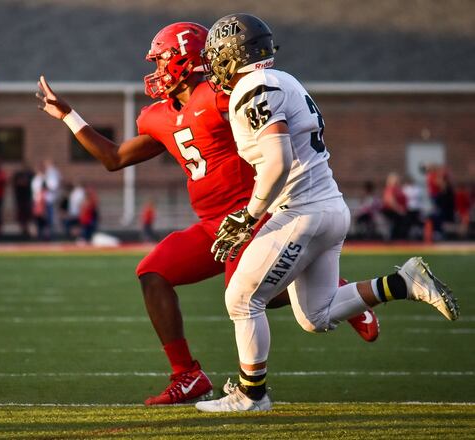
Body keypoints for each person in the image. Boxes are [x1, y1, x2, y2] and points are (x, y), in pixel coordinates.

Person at [36, 22, 378, 406]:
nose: (157, 70)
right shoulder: (158, 116)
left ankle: (330, 298)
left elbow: (267, 124)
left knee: (245, 296)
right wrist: (68, 115)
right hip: (212, 224)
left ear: (186, 59)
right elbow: (114, 158)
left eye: (163, 60)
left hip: (252, 216)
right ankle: (188, 375)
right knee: (152, 272)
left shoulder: (222, 98)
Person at [196, 14, 459, 413]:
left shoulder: (253, 86)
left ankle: (252, 395)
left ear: (233, 54)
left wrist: (249, 216)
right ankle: (403, 283)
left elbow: (277, 160)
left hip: (302, 211)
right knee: (315, 315)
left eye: (217, 55)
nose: (214, 64)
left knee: (241, 299)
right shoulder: (284, 80)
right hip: (329, 207)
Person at [11, 162, 35, 238]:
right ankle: (23, 230)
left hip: (28, 199)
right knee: (21, 216)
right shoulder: (17, 176)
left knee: (29, 215)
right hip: (20, 200)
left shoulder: (30, 176)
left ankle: (28, 230)